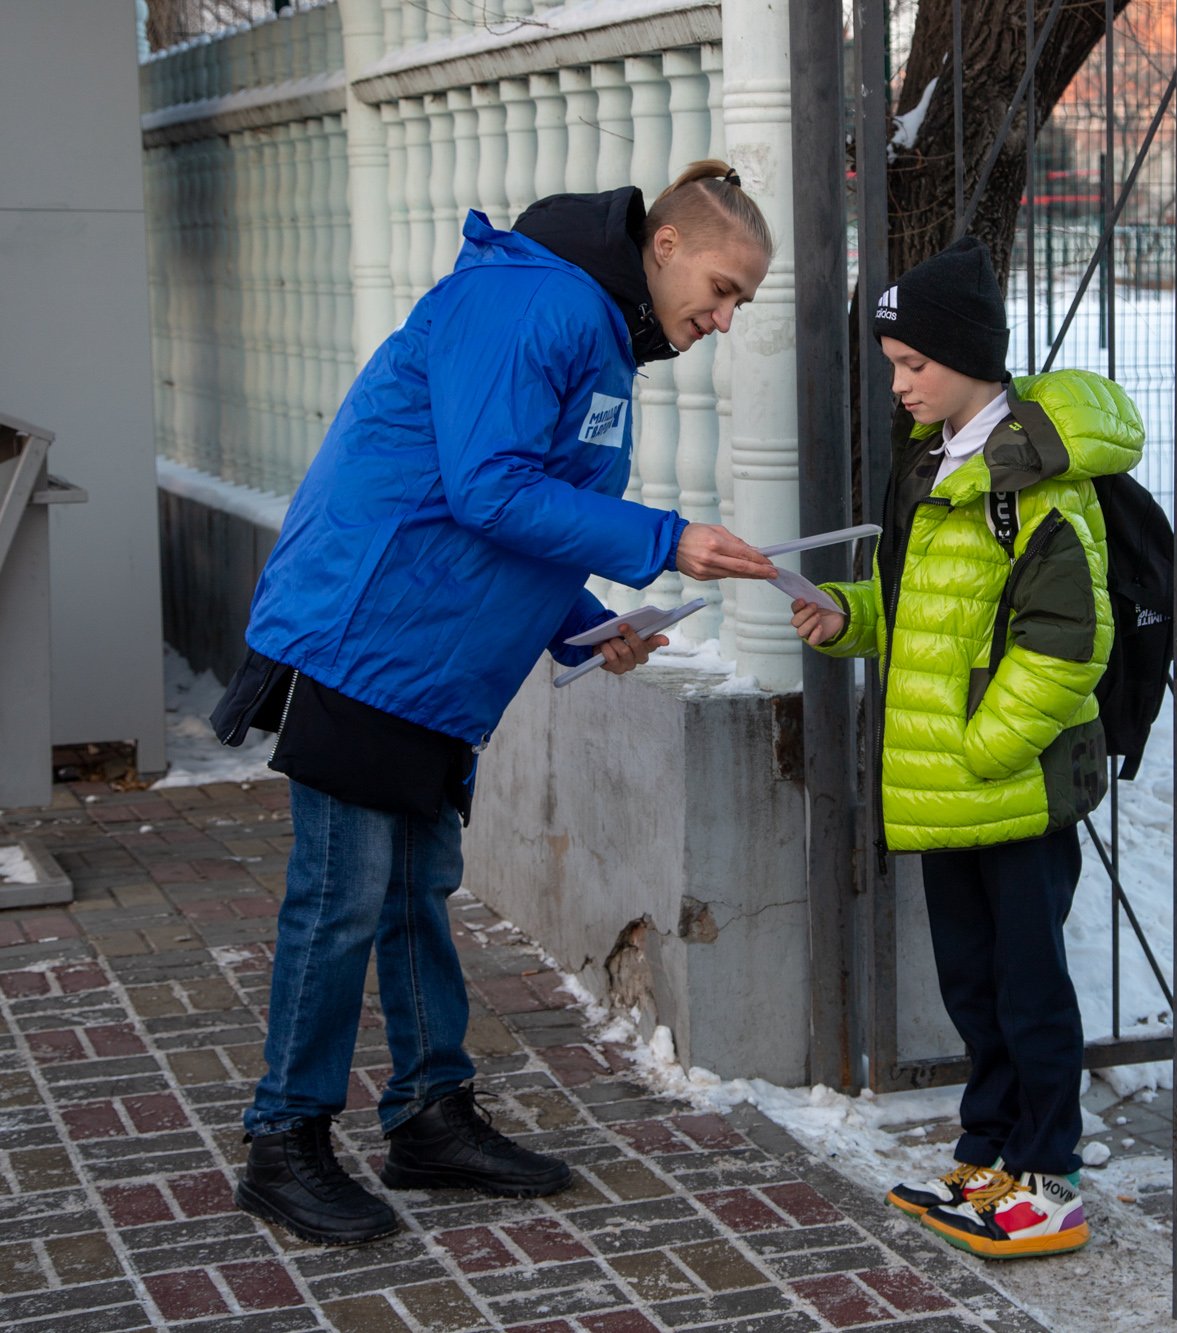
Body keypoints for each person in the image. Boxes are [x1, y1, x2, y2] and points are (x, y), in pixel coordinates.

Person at [210, 161, 777, 1246]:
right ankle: (284, 1142)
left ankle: (428, 1113)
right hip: (364, 632)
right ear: (663, 246)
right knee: (339, 899)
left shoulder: (594, 328)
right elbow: (489, 486)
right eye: (721, 287)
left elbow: (518, 518)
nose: (722, 316)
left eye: (740, 301)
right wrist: (664, 540)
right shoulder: (535, 300)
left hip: (430, 656)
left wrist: (588, 623)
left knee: (416, 886)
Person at [791, 236, 1143, 1260]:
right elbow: (925, 616)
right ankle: (989, 1149)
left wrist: (986, 744)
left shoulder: (1032, 479)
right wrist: (850, 616)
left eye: (913, 365)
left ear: (970, 358)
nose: (898, 384)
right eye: (892, 365)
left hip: (1007, 786)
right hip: (950, 787)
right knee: (972, 981)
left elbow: (1065, 640)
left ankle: (1048, 1176)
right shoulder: (930, 465)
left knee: (1029, 985)